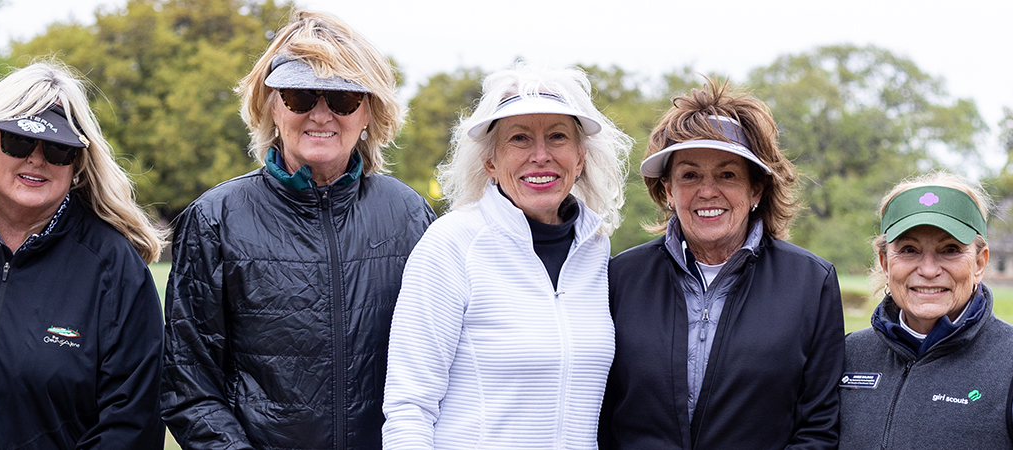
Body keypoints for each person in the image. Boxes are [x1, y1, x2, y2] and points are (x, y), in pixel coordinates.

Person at [161, 10, 434, 450]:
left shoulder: (411, 215)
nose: (321, 114)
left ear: (368, 111)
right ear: (272, 105)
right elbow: (188, 383)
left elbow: (442, 370)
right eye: (300, 96)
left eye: (343, 99)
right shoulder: (215, 218)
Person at [0, 61, 165, 450]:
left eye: (58, 148)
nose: (37, 159)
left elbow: (132, 425)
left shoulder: (115, 269)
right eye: (18, 141)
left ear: (77, 162)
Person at [381, 65, 630, 450]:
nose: (541, 155)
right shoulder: (451, 244)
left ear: (580, 158)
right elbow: (409, 408)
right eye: (520, 139)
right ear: (490, 162)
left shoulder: (596, 249)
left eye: (558, 136)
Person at [599, 80, 841, 449]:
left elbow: (818, 427)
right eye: (690, 175)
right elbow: (600, 414)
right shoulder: (621, 276)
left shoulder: (811, 282)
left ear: (756, 188)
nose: (707, 191)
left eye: (727, 174)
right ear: (668, 190)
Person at [840, 173, 1013, 450]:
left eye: (950, 249)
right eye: (909, 250)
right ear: (885, 262)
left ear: (979, 262)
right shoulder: (848, 355)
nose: (928, 270)